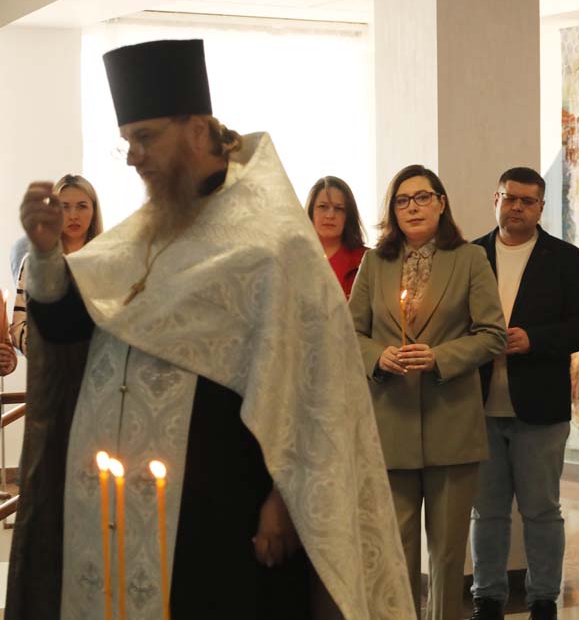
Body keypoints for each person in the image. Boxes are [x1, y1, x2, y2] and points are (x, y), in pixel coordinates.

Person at [7, 39, 411, 620]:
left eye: (145, 137)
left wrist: (283, 500)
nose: (133, 157)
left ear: (197, 130)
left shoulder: (276, 247)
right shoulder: (144, 234)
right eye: (127, 142)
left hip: (223, 506)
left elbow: (317, 392)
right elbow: (69, 330)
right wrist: (47, 254)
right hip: (120, 507)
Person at [349, 164, 506, 620]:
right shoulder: (374, 263)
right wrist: (377, 356)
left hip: (451, 422)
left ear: (441, 203)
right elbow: (349, 333)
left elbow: (492, 334)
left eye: (422, 198)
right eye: (402, 200)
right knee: (395, 551)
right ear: (392, 210)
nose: (412, 207)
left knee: (447, 554)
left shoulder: (469, 259)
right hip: (391, 421)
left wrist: (440, 357)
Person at [468, 167, 579, 620]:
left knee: (542, 509)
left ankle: (544, 599)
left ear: (541, 208)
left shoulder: (567, 260)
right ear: (496, 199)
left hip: (540, 405)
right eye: (510, 198)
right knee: (487, 511)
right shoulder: (470, 256)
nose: (517, 207)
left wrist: (535, 339)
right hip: (479, 406)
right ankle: (487, 598)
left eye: (528, 201)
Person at [10, 174, 103, 354]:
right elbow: (18, 325)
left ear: (94, 210)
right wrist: (49, 350)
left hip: (98, 363)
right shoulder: (32, 264)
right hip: (49, 363)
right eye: (64, 207)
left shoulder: (106, 260)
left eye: (82, 206)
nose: (73, 216)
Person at [304, 175, 367, 298]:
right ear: (311, 212)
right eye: (323, 207)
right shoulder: (294, 258)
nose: (330, 215)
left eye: (339, 209)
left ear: (348, 216)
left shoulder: (365, 260)